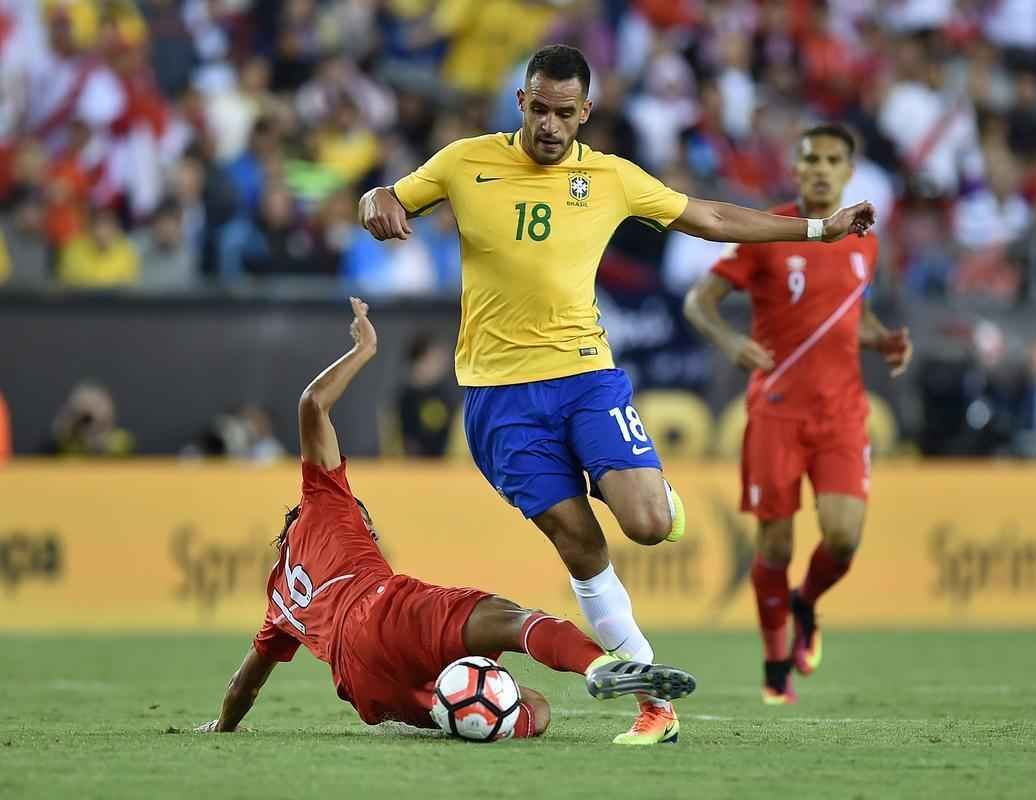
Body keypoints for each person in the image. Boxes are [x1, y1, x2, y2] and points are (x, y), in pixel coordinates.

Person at [359, 44, 875, 743]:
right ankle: (651, 699)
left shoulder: (610, 178)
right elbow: (385, 196)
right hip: (497, 397)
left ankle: (654, 500)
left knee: (648, 524)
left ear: (585, 113)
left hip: (583, 376)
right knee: (577, 541)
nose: (548, 124)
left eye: (563, 113)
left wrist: (815, 230)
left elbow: (712, 219)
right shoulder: (464, 160)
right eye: (537, 108)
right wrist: (377, 201)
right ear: (520, 101)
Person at [196, 298, 696, 742]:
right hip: (386, 612)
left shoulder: (279, 601)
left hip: (364, 685)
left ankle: (483, 712)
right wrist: (365, 350)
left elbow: (247, 683)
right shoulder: (323, 499)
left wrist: (223, 726)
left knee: (531, 710)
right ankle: (601, 663)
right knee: (511, 620)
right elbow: (312, 404)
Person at [683, 124, 912, 705]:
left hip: (841, 414)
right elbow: (698, 302)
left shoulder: (863, 239)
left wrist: (882, 339)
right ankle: (774, 662)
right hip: (777, 413)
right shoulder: (769, 233)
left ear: (849, 171)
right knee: (775, 547)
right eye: (811, 157)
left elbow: (848, 315)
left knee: (843, 536)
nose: (820, 168)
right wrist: (729, 342)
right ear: (796, 165)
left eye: (833, 159)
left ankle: (805, 603)